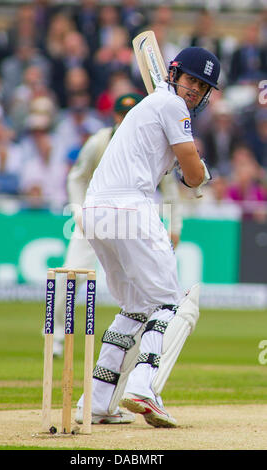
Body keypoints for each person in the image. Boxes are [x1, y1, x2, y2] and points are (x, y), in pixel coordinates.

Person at [74, 46, 220, 428]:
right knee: (168, 304)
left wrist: (193, 170)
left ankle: (98, 401)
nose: (194, 90)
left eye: (202, 86)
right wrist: (200, 173)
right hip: (130, 208)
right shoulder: (172, 106)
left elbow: (180, 165)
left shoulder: (152, 106)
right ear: (173, 74)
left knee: (135, 308)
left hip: (95, 212)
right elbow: (190, 171)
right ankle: (142, 387)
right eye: (190, 80)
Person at [53, 92, 183, 358]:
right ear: (114, 116)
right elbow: (76, 177)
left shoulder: (154, 143)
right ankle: (57, 336)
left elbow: (170, 190)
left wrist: (174, 226)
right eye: (121, 115)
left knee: (139, 288)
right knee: (71, 275)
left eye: (130, 114)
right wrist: (78, 210)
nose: (126, 120)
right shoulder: (99, 141)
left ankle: (138, 344)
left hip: (134, 219)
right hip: (94, 218)